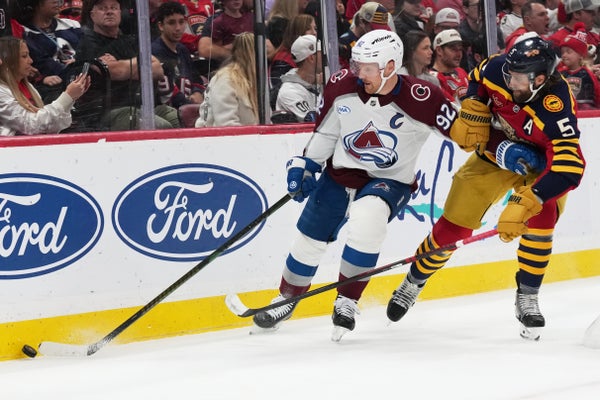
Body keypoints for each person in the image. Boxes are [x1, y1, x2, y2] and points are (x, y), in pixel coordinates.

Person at [251, 29, 463, 341]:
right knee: (310, 239)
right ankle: (287, 298)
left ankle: (347, 301)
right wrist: (307, 164)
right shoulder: (342, 85)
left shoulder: (423, 97)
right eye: (356, 65)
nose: (358, 73)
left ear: (389, 67)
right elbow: (327, 131)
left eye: (366, 67)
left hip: (390, 181)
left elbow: (465, 133)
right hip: (340, 174)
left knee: (368, 218)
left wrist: (502, 147)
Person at [386, 33, 586, 341]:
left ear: (540, 79)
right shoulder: (499, 68)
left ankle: (528, 295)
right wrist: (474, 102)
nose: (510, 81)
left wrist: (532, 197)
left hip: (539, 168)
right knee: (452, 229)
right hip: (494, 156)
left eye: (518, 78)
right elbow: (477, 77)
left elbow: (570, 166)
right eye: (509, 73)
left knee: (541, 217)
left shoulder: (556, 105)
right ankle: (414, 281)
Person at [77, 0, 180, 131]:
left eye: (114, 8)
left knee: (177, 117)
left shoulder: (129, 40)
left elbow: (158, 70)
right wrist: (139, 64)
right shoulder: (88, 42)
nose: (109, 12)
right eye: (103, 8)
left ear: (120, 13)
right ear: (92, 15)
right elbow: (113, 72)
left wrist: (122, 66)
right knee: (161, 126)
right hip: (105, 113)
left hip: (140, 106)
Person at [0, 36, 89, 136]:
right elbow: (31, 126)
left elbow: (52, 125)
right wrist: (67, 96)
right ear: (8, 60)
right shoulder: (1, 92)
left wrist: (72, 98)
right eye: (24, 56)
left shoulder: (29, 87)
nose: (31, 61)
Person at [16, 0, 83, 103]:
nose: (58, 1)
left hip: (82, 82)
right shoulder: (24, 33)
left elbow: (88, 51)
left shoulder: (73, 25)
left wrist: (80, 60)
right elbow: (44, 65)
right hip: (52, 92)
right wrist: (42, 79)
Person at [195, 32, 258, 127]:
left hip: (251, 135)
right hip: (215, 135)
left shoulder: (256, 81)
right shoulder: (225, 80)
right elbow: (226, 124)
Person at [152, 2, 205, 111]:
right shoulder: (155, 51)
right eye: (172, 23)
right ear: (161, 26)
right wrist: (192, 105)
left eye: (181, 22)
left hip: (189, 107)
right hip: (165, 110)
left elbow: (197, 79)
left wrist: (197, 92)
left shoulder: (183, 50)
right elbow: (168, 94)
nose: (178, 28)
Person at [269, 13, 316, 110]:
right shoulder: (282, 61)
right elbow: (276, 94)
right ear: (297, 32)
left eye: (315, 28)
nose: (314, 32)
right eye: (308, 29)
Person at [275, 34, 322, 122]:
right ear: (311, 58)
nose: (325, 57)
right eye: (321, 53)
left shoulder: (317, 82)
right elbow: (312, 120)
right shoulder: (289, 91)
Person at [197, 0, 253, 70]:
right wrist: (236, 50)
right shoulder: (218, 21)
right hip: (230, 66)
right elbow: (212, 49)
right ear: (223, 2)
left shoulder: (251, 18)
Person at [338, 2, 392, 70]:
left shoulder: (379, 42)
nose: (378, 34)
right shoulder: (344, 44)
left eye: (382, 30)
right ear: (361, 22)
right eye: (374, 29)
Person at [558, 23, 600, 109]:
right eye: (562, 52)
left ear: (580, 55)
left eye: (568, 52)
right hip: (566, 110)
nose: (564, 55)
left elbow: (597, 92)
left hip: (586, 110)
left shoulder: (587, 73)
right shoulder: (560, 74)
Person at [429, 29, 468, 103]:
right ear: (439, 50)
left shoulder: (461, 71)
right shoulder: (432, 79)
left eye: (460, 49)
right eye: (453, 49)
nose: (459, 54)